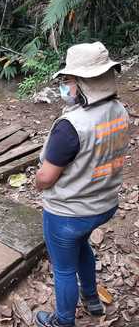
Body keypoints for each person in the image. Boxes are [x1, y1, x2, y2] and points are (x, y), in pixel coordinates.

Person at [35, 42, 129, 327]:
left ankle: (62, 321)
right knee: (82, 248)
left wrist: (37, 179)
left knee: (63, 269)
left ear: (82, 83)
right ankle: (92, 298)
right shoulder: (119, 110)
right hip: (103, 205)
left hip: (69, 214)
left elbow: (46, 178)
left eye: (68, 81)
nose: (66, 87)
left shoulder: (70, 126)